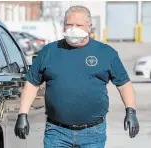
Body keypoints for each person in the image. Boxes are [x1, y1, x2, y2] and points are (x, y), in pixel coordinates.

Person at [14, 5, 139, 148]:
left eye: (79, 25)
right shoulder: (49, 51)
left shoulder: (106, 53)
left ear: (89, 27)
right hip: (56, 132)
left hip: (93, 133)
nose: (73, 28)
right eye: (69, 24)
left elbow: (124, 85)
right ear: (63, 26)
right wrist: (22, 114)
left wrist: (131, 111)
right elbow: (32, 84)